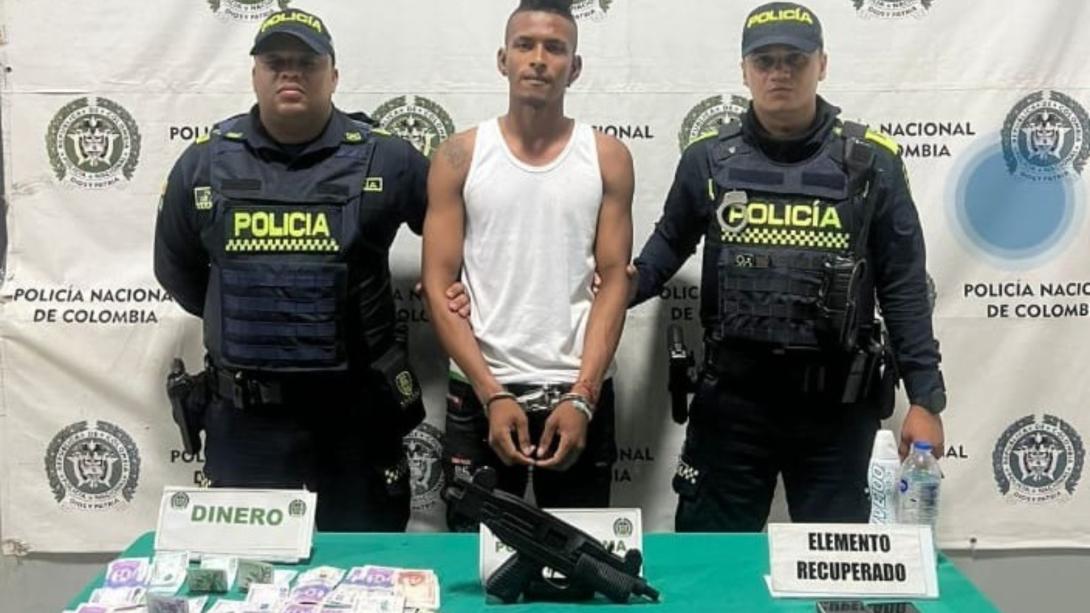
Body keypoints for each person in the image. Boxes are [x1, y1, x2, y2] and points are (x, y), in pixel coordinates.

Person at [630, 1, 947, 531]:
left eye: (795, 60)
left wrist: (926, 399)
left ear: (822, 64)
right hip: (732, 405)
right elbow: (662, 253)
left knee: (835, 565)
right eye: (765, 61)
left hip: (836, 411)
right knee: (712, 564)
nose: (779, 73)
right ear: (744, 71)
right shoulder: (708, 159)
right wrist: (603, 290)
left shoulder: (873, 162)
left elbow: (904, 286)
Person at [153, 8, 429, 532]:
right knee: (246, 569)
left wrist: (445, 285)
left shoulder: (389, 160)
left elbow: (451, 244)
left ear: (334, 75)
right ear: (254, 74)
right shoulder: (203, 163)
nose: (290, 72)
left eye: (307, 62)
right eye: (275, 62)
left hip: (354, 419)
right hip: (246, 422)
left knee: (366, 568)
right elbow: (179, 273)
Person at [422, 0, 634, 529]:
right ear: (503, 59)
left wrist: (583, 396)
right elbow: (437, 284)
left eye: (555, 48)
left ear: (575, 67)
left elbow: (614, 282)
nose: (539, 59)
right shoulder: (458, 155)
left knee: (582, 558)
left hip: (577, 395)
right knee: (473, 561)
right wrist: (491, 392)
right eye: (525, 45)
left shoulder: (607, 157)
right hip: (480, 395)